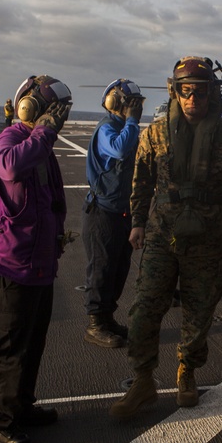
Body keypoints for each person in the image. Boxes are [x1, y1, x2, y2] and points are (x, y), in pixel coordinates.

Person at [110, 56, 222, 417]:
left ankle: (187, 373)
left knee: (199, 313)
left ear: (213, 93)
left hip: (210, 243)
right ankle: (143, 380)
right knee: (144, 309)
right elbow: (141, 181)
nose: (193, 98)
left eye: (201, 91)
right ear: (175, 91)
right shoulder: (156, 133)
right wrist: (136, 222)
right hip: (163, 237)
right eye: (186, 91)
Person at [0, 75, 73, 443]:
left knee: (32, 344)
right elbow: (11, 168)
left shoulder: (41, 148)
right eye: (52, 111)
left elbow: (51, 200)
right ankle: (0, 420)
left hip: (38, 267)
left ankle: (22, 406)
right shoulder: (11, 141)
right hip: (7, 270)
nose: (56, 119)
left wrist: (57, 236)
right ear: (31, 108)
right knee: (6, 348)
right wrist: (45, 132)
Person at [81, 78, 145, 348]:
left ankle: (107, 319)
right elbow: (119, 149)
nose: (134, 110)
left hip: (122, 211)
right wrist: (132, 121)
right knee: (102, 268)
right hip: (102, 213)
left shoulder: (126, 129)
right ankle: (95, 324)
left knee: (119, 268)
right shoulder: (108, 129)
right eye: (130, 104)